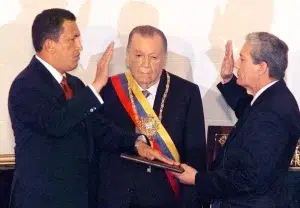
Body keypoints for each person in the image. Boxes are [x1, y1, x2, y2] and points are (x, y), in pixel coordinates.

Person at [8, 9, 171, 208]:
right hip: (42, 199)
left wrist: (137, 144)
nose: (80, 46)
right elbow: (56, 123)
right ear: (50, 45)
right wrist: (96, 86)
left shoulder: (74, 85)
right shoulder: (26, 85)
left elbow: (100, 128)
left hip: (80, 197)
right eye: (72, 39)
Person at [173, 32, 300, 207]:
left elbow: (249, 178)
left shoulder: (273, 110)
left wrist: (197, 179)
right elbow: (249, 113)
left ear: (261, 67)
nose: (236, 65)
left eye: (242, 59)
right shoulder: (273, 98)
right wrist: (228, 80)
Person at [97, 25, 207, 208]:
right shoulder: (107, 90)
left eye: (153, 57)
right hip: (116, 199)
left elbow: (195, 156)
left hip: (166, 200)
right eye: (139, 55)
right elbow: (97, 146)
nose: (145, 64)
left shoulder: (186, 93)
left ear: (164, 59)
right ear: (127, 57)